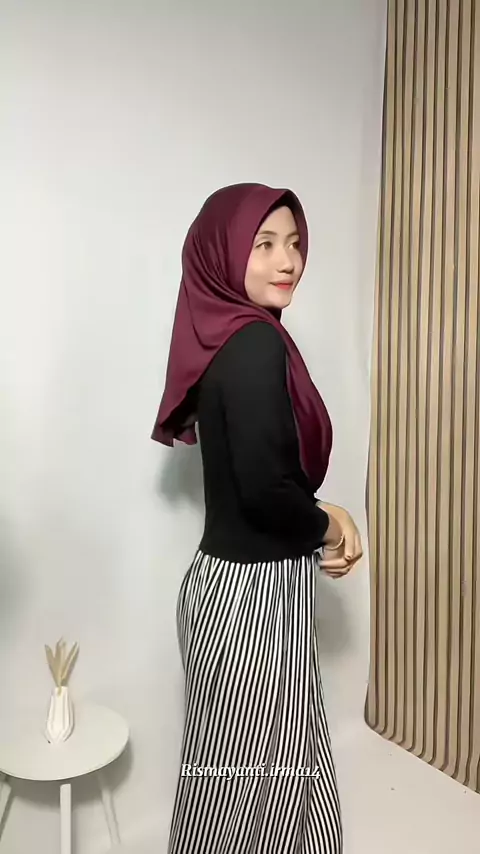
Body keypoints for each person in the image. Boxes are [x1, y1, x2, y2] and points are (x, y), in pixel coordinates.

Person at [151, 183, 362, 854]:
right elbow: (267, 490)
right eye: (264, 244)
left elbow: (258, 478)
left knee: (245, 780)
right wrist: (332, 524)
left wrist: (318, 515)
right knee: (250, 790)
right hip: (252, 599)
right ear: (223, 252)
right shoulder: (254, 345)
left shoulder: (230, 341)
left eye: (294, 243)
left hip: (231, 588)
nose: (288, 260)